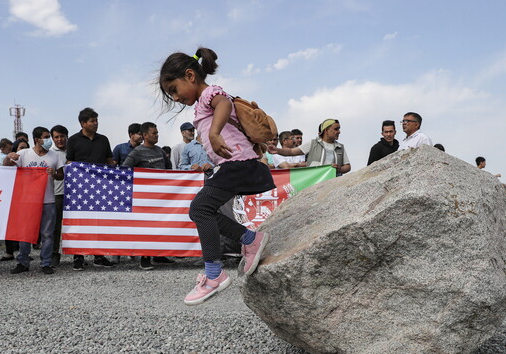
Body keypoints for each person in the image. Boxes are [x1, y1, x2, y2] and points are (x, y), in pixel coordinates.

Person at [159, 47, 275, 305]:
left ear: (190, 75)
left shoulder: (211, 94)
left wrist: (214, 132)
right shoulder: (200, 104)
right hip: (233, 166)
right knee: (202, 210)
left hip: (239, 164)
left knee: (200, 208)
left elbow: (224, 103)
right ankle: (251, 239)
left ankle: (214, 274)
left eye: (174, 90)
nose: (175, 98)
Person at [4, 126, 65, 275]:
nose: (49, 140)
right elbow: (6, 167)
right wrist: (9, 156)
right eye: (46, 137)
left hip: (48, 200)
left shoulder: (54, 156)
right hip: (27, 201)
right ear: (37, 140)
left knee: (47, 234)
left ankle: (46, 263)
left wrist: (54, 174)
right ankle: (23, 262)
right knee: (25, 233)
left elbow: (61, 175)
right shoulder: (24, 154)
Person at [66, 107, 115, 271]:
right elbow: (69, 163)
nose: (96, 124)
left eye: (96, 120)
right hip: (80, 190)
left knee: (99, 222)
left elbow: (109, 160)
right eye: (92, 121)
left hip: (100, 188)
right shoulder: (73, 140)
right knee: (79, 222)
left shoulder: (104, 140)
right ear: (83, 123)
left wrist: (115, 168)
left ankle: (98, 256)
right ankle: (78, 257)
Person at [123, 122, 175, 270]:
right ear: (145, 135)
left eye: (157, 132)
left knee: (161, 226)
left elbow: (169, 169)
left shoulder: (160, 151)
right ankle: (144, 258)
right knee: (147, 227)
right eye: (154, 133)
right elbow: (125, 169)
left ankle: (159, 255)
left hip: (162, 198)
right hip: (146, 199)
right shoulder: (137, 152)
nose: (157, 135)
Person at [268, 119, 350, 176]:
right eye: (336, 129)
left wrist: (339, 169)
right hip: (316, 183)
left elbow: (347, 166)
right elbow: (291, 152)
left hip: (335, 182)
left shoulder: (340, 147)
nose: (339, 132)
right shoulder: (312, 144)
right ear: (326, 131)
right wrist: (277, 150)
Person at [50, 125, 68, 267]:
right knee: (55, 226)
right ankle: (54, 253)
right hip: (57, 193)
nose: (60, 139)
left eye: (62, 136)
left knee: (77, 225)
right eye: (56, 137)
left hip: (75, 194)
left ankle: (79, 255)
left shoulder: (73, 151)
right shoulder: (50, 153)